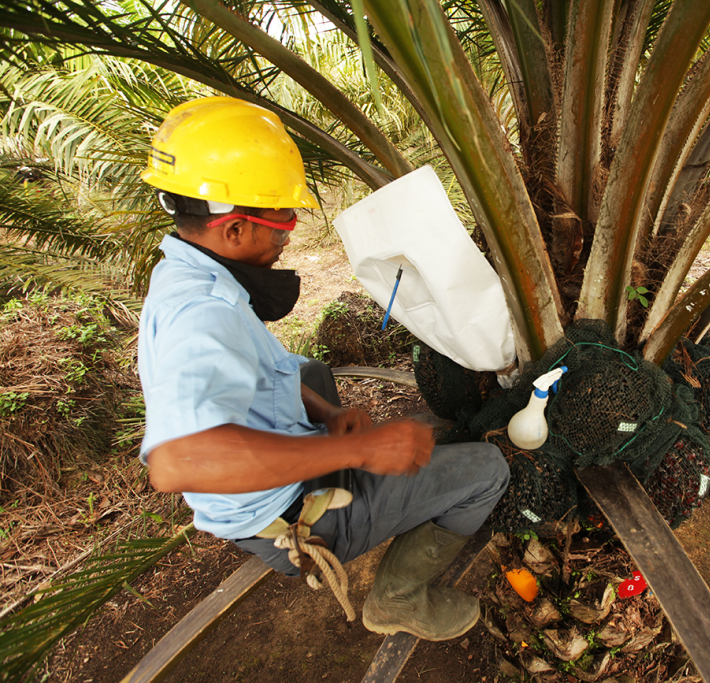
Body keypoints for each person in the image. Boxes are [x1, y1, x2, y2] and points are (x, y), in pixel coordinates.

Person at [137, 96, 509, 642]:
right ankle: (397, 599)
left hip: (275, 475)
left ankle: (353, 475)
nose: (289, 231)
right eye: (282, 218)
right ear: (234, 229)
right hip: (289, 515)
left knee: (309, 372)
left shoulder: (191, 275)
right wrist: (356, 450)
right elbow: (177, 463)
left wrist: (329, 416)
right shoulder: (202, 315)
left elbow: (275, 369)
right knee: (486, 471)